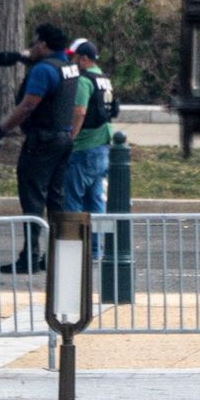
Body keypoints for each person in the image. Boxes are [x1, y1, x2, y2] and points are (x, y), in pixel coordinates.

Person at [0, 23, 80, 274]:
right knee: (56, 198)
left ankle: (30, 256)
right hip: (63, 137)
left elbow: (28, 105)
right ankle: (56, 255)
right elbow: (41, 63)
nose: (30, 47)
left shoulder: (42, 71)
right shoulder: (68, 66)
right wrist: (18, 57)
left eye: (34, 42)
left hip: (42, 139)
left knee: (32, 197)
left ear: (44, 45)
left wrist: (0, 131)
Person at [64, 39, 115, 259]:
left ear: (84, 59)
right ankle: (95, 250)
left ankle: (74, 251)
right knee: (95, 201)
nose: (72, 62)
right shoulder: (103, 78)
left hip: (84, 147)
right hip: (103, 146)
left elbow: (80, 112)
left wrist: (70, 138)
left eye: (74, 58)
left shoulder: (84, 80)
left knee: (72, 199)